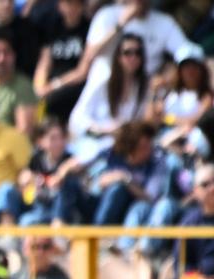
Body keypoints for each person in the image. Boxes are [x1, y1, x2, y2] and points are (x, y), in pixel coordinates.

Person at [87, 120, 176, 254]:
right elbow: (93, 187)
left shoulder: (157, 161)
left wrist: (126, 179)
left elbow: (150, 197)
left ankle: (125, 247)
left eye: (149, 144)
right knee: (116, 189)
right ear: (130, 148)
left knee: (138, 205)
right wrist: (106, 181)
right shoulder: (111, 155)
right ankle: (99, 235)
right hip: (105, 208)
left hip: (139, 212)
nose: (149, 149)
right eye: (144, 146)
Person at [156, 162, 214, 279]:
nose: (213, 188)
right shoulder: (189, 223)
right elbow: (182, 264)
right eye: (206, 184)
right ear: (196, 192)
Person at [68, 33, 148, 161]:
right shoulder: (102, 81)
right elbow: (77, 119)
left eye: (137, 53)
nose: (133, 57)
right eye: (127, 53)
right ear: (118, 56)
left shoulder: (143, 87)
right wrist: (103, 129)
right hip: (94, 143)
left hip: (125, 147)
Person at [0, 116, 83, 226]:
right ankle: (7, 232)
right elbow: (25, 187)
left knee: (27, 222)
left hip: (60, 212)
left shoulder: (70, 160)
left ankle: (58, 226)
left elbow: (77, 168)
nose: (58, 143)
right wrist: (25, 181)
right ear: (40, 141)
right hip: (37, 206)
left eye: (61, 137)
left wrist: (61, 174)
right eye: (53, 138)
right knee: (5, 189)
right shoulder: (36, 160)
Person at [82, 0, 192, 82]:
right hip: (107, 84)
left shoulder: (165, 22)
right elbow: (90, 55)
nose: (133, 58)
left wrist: (168, 74)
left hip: (143, 91)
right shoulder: (107, 15)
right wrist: (119, 26)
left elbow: (186, 52)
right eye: (128, 53)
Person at [32, 0, 89, 123]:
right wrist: (39, 86)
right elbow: (44, 62)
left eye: (75, 4)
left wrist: (54, 86)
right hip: (51, 85)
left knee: (54, 100)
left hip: (75, 85)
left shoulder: (87, 29)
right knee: (35, 103)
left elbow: (82, 71)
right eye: (67, 4)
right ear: (60, 6)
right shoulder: (53, 28)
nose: (72, 8)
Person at [0, 30, 38, 136]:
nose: (2, 59)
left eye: (6, 53)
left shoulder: (23, 86)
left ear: (14, 56)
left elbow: (24, 130)